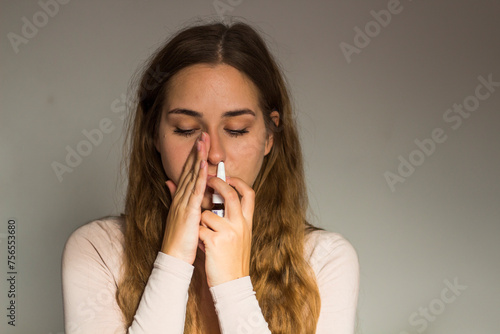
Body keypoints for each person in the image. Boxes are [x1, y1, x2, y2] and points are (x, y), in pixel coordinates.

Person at [62, 21, 359, 334]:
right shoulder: (97, 250)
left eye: (236, 130)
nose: (214, 154)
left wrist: (233, 285)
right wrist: (173, 260)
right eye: (186, 129)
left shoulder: (325, 260)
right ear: (154, 135)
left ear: (269, 136)